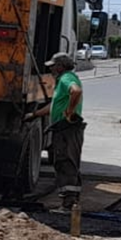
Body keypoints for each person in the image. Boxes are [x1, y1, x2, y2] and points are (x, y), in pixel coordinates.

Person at [46, 51, 85, 208]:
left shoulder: (66, 78)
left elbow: (76, 91)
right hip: (66, 128)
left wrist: (69, 111)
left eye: (53, 66)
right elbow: (55, 105)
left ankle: (69, 203)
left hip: (66, 128)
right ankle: (70, 201)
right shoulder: (64, 79)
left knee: (65, 162)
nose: (51, 69)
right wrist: (34, 114)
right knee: (66, 162)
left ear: (60, 67)